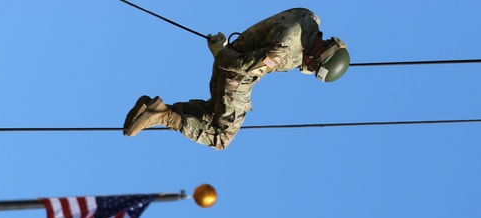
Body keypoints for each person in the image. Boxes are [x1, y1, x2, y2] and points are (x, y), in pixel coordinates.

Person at [122, 8, 349, 150]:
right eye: (313, 65)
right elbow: (243, 67)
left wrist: (304, 59)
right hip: (235, 71)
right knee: (221, 138)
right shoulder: (281, 54)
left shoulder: (308, 18)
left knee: (214, 112)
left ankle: (153, 109)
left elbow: (298, 44)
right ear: (319, 55)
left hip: (233, 54)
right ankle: (163, 116)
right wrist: (218, 50)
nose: (308, 67)